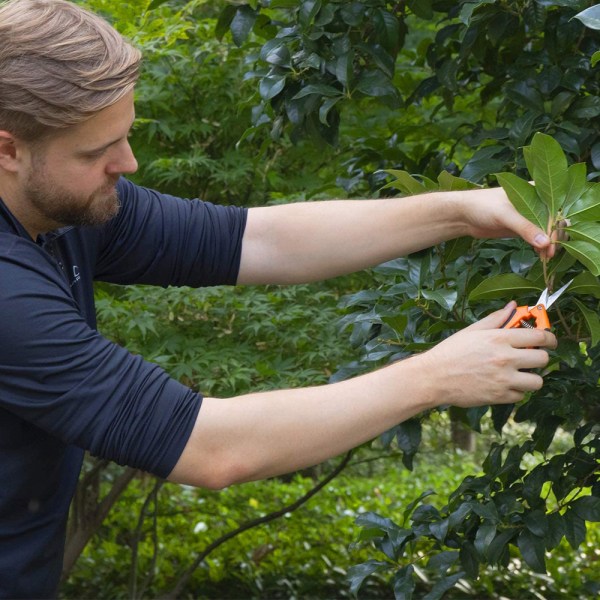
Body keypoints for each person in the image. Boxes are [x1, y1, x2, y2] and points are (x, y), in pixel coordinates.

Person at [0, 0, 557, 597]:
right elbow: (214, 448)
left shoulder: (60, 206)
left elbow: (256, 239)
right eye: (95, 152)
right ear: (8, 149)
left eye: (125, 134)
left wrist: (461, 210)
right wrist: (435, 379)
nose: (128, 163)